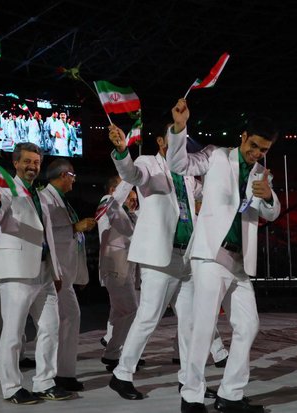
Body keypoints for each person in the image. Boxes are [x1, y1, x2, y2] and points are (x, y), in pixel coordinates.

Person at [166, 98, 280, 413]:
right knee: (202, 326)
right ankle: (190, 396)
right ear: (243, 136)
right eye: (254, 146)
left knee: (249, 325)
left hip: (241, 263)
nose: (257, 153)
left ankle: (229, 395)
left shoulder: (261, 174)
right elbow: (179, 165)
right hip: (210, 256)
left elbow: (272, 212)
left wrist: (268, 197)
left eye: (264, 150)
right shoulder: (216, 156)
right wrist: (179, 129)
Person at [106, 122, 199, 402]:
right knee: (148, 318)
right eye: (173, 139)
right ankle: (122, 374)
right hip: (159, 257)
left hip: (185, 256)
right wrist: (122, 151)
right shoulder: (148, 163)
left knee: (191, 322)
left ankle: (189, 380)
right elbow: (131, 173)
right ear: (161, 141)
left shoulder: (188, 172)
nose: (178, 146)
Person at [0, 143, 73, 404]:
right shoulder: (4, 190)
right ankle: (11, 387)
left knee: (50, 328)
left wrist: (55, 270)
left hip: (43, 272)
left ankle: (45, 381)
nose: (33, 166)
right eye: (28, 162)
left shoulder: (41, 196)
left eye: (36, 162)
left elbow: (49, 236)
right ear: (16, 164)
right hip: (17, 273)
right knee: (13, 332)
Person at [40, 159, 96, 391]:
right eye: (72, 176)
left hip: (66, 273)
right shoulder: (45, 198)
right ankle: (57, 375)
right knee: (59, 322)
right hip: (55, 273)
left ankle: (63, 373)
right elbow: (45, 234)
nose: (74, 180)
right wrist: (75, 227)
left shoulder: (60, 200)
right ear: (64, 175)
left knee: (66, 320)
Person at [97, 176, 139, 367]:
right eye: (130, 193)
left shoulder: (126, 211)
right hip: (116, 267)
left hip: (125, 268)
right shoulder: (108, 202)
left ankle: (115, 350)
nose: (133, 199)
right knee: (131, 310)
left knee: (119, 312)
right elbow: (128, 230)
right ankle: (114, 353)